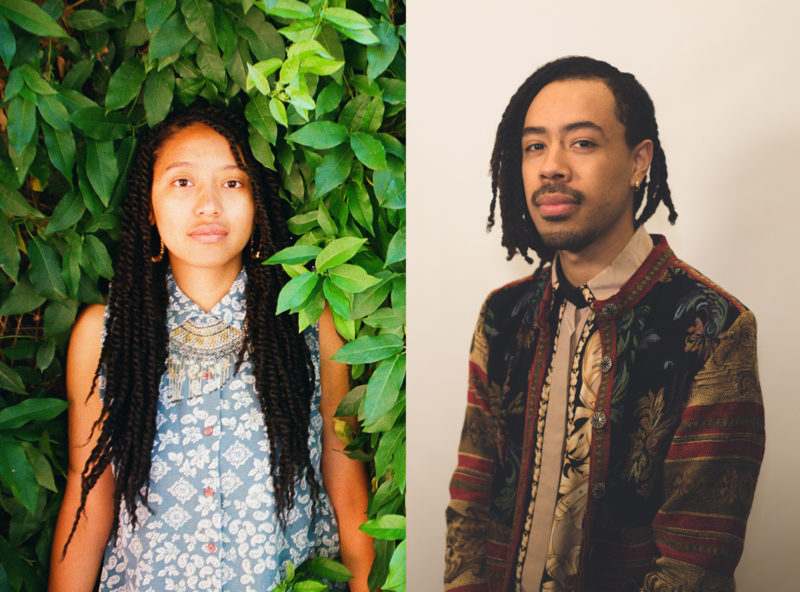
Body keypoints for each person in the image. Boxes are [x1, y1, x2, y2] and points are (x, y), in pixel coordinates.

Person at [445, 56, 765, 592]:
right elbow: (472, 499)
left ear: (640, 160)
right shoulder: (501, 315)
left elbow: (694, 563)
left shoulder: (713, 328)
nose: (551, 167)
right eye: (534, 146)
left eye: (582, 143)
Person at [49, 103, 373, 591]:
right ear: (149, 207)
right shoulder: (105, 335)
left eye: (232, 182)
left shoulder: (308, 323)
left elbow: (345, 483)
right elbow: (87, 496)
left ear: (258, 202)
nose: (208, 205)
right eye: (182, 182)